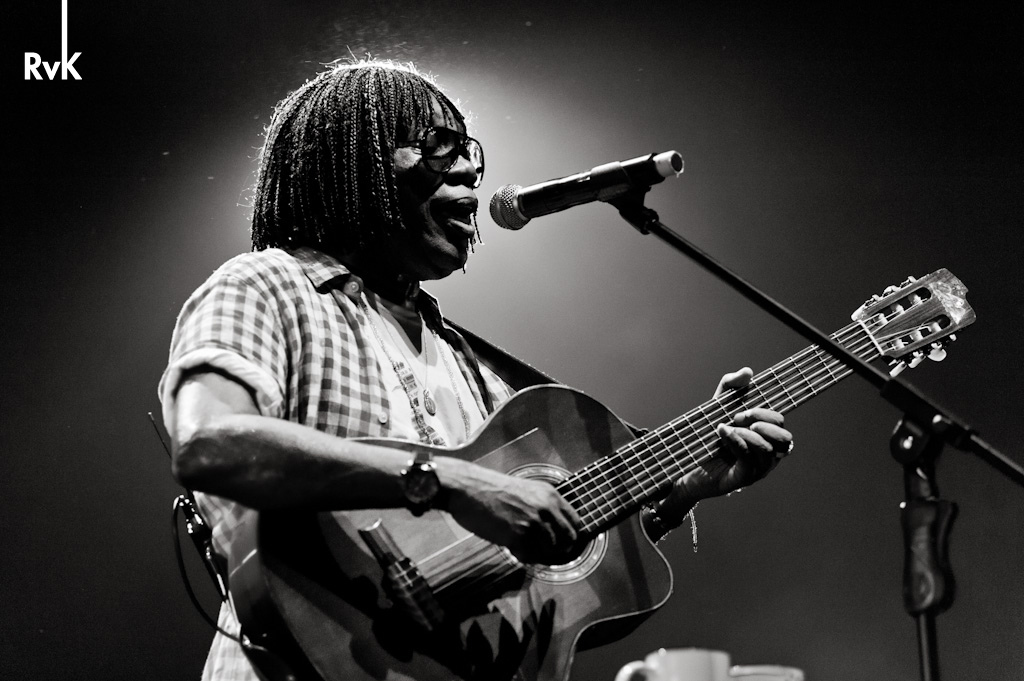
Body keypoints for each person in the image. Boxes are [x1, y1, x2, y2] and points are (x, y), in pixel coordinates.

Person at [159, 60, 793, 681]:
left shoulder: (471, 365)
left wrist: (680, 490)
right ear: (354, 162)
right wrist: (451, 481)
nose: (467, 168)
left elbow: (551, 587)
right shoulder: (270, 286)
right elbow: (211, 443)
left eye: (469, 151)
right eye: (438, 146)